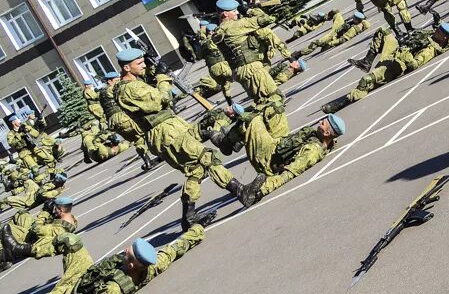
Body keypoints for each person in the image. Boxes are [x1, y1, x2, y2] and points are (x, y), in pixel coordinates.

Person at [113, 48, 255, 228]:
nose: (142, 66)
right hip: (165, 132)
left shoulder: (133, 84)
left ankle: (189, 217)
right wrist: (163, 78)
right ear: (127, 68)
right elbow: (160, 99)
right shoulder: (129, 89)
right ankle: (241, 191)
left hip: (169, 128)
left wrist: (154, 71)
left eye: (143, 62)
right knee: (207, 158)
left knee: (195, 169)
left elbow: (152, 91)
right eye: (139, 64)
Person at [0, 225, 204, 294]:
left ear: (132, 265)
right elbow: (171, 251)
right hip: (81, 275)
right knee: (70, 240)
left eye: (128, 254)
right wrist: (196, 232)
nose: (124, 251)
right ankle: (19, 250)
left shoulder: (113, 291)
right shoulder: (148, 265)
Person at [325, 24, 449, 111]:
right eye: (438, 28)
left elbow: (414, 65)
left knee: (367, 81)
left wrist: (406, 55)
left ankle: (344, 101)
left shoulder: (430, 49)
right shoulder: (429, 34)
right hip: (395, 52)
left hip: (397, 65)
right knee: (383, 31)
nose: (436, 31)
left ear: (444, 37)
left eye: (439, 31)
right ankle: (367, 61)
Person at [240, 114, 345, 205]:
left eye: (322, 123)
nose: (319, 121)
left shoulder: (312, 151)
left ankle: (230, 141)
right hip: (276, 146)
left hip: (268, 160)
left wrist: (261, 191)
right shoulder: (323, 140)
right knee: (256, 117)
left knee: (253, 121)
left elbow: (289, 174)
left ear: (326, 133)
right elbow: (329, 142)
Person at [195, 22, 235, 105]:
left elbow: (199, 56)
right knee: (239, 75)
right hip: (221, 65)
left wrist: (202, 32)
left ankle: (230, 102)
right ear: (211, 32)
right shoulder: (213, 39)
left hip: (212, 69)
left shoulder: (202, 43)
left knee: (225, 85)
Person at [299, 11, 370, 56]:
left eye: (354, 17)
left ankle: (299, 54)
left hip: (334, 38)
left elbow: (343, 39)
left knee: (316, 42)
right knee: (336, 12)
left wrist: (330, 43)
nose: (352, 18)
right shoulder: (356, 22)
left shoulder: (354, 29)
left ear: (357, 20)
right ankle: (321, 18)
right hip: (337, 31)